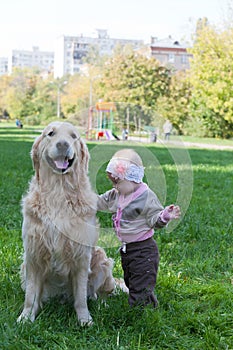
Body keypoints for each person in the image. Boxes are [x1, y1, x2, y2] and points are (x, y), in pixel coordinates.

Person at [97, 149, 180, 308]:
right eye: (112, 182)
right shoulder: (117, 193)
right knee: (130, 279)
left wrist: (164, 216)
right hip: (128, 250)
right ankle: (139, 298)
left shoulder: (146, 197)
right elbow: (101, 201)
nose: (114, 186)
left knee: (141, 283)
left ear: (131, 178)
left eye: (117, 182)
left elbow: (155, 218)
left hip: (143, 250)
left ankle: (142, 311)